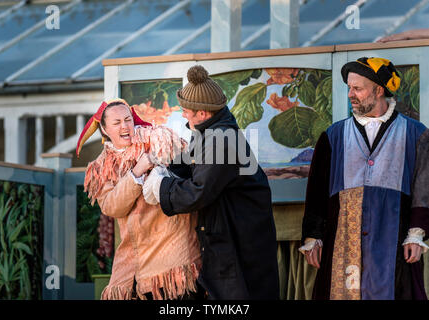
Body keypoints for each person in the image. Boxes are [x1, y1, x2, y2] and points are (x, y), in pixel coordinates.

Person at [142, 65, 280, 300]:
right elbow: (189, 165)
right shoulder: (210, 131)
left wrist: (161, 186)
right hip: (231, 233)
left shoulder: (220, 140)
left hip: (241, 240)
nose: (183, 115)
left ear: (203, 113)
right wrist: (160, 167)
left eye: (186, 110)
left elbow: (199, 191)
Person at [299, 57, 429, 300]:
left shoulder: (416, 133)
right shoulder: (333, 135)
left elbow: (424, 187)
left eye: (357, 88)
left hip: (395, 237)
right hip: (342, 238)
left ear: (379, 90)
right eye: (349, 88)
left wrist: (417, 232)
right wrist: (312, 235)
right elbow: (316, 191)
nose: (350, 94)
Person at [76, 98, 202, 300]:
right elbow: (111, 206)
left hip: (174, 257)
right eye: (116, 123)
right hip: (135, 260)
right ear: (105, 129)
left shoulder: (157, 140)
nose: (125, 126)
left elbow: (186, 171)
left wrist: (159, 160)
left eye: (127, 120)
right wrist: (137, 171)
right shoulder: (102, 166)